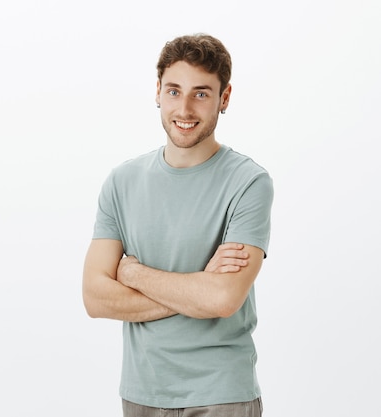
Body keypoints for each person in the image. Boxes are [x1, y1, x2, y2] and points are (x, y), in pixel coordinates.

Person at [82, 33, 273, 417]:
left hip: (221, 392)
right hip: (141, 391)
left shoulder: (249, 183)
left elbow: (222, 299)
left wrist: (133, 274)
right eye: (173, 91)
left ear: (225, 97)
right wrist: (196, 288)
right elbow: (95, 297)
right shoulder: (122, 182)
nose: (184, 108)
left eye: (201, 93)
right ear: (157, 91)